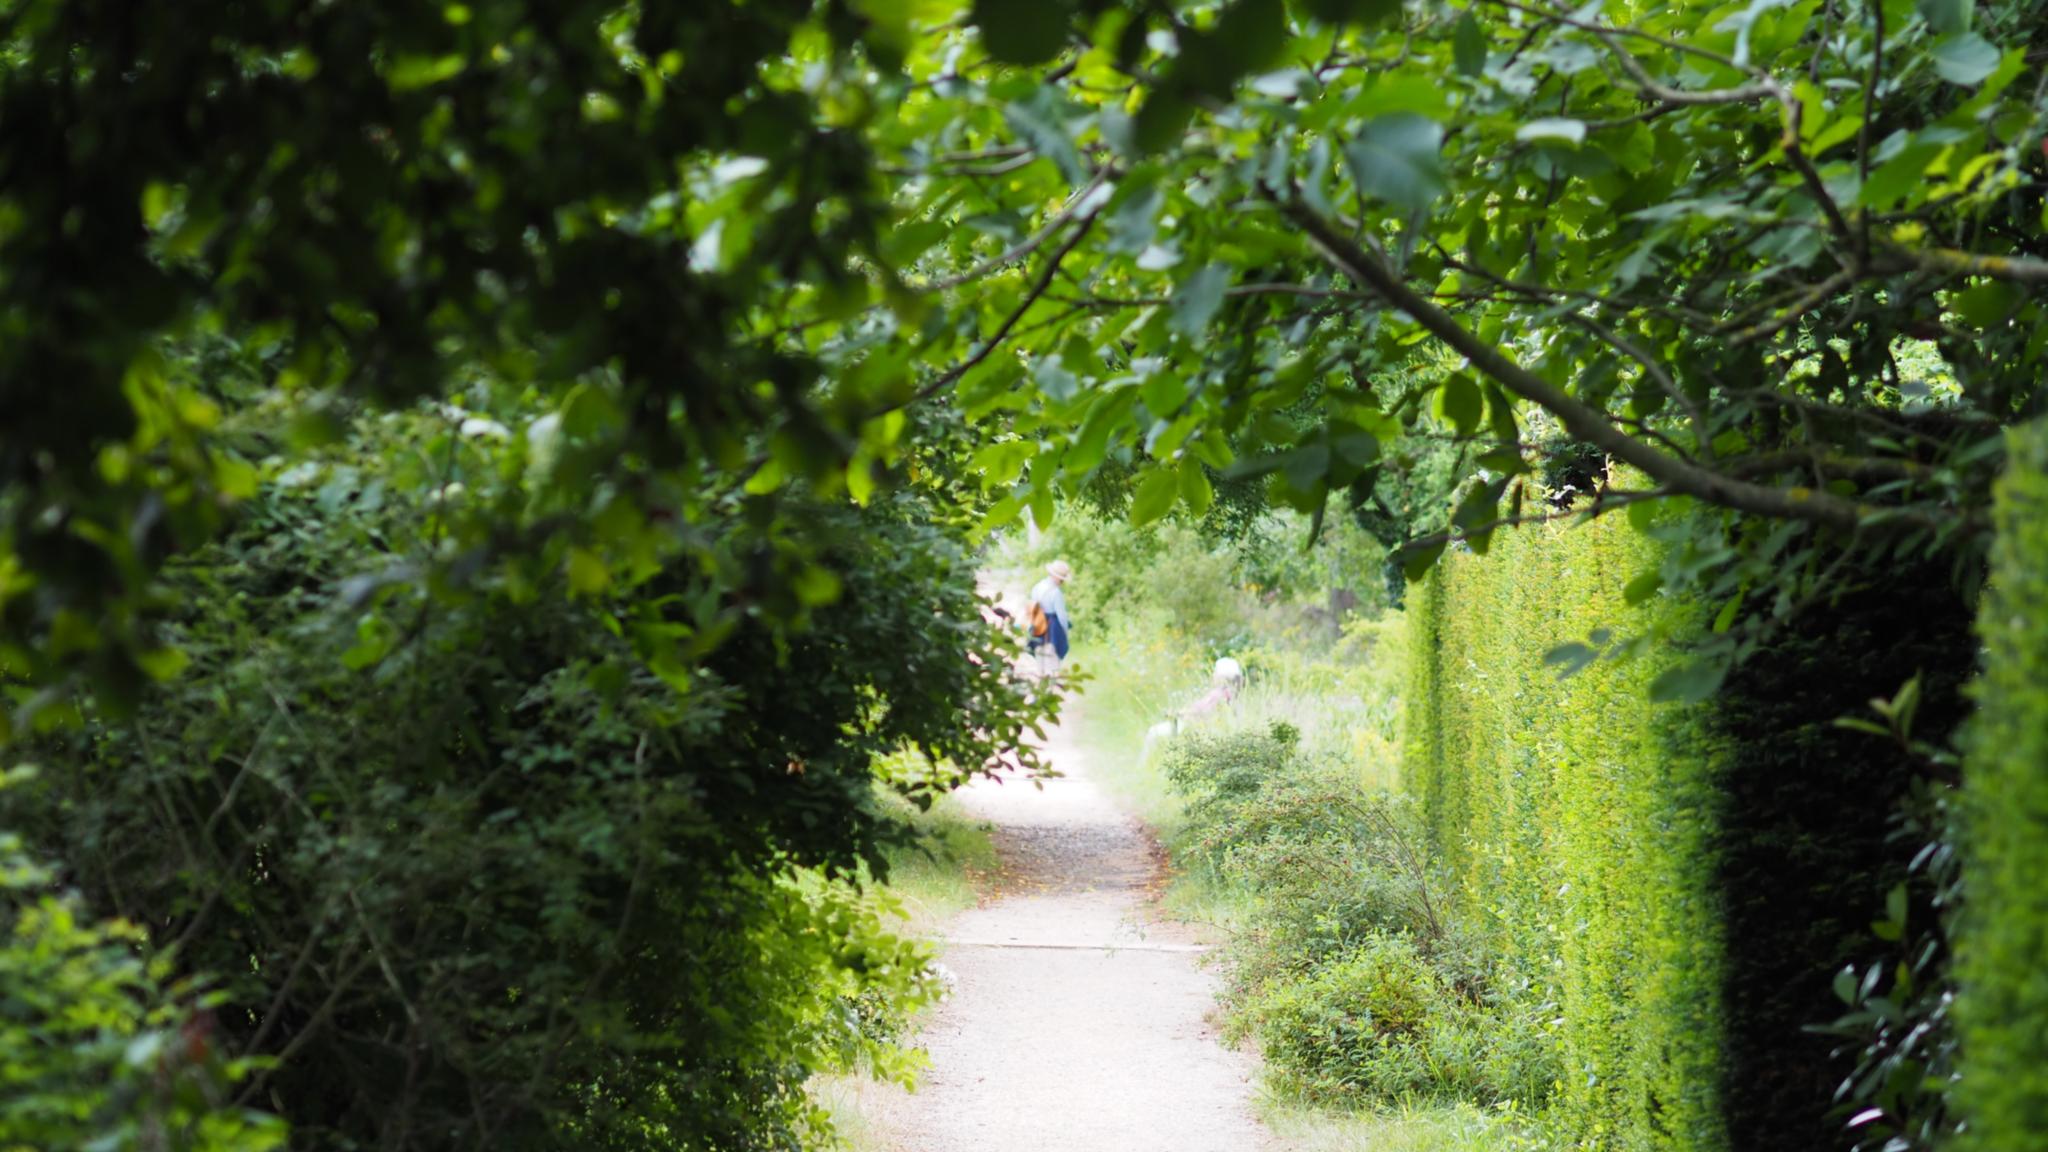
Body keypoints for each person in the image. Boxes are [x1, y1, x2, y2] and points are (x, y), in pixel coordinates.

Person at [1027, 560, 1073, 672]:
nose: (1062, 581)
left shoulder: (1037, 587)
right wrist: (1065, 633)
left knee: (1040, 665)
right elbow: (1061, 616)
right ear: (1056, 577)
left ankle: (1041, 687)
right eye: (1061, 579)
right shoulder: (1056, 592)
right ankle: (1051, 687)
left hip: (1037, 628)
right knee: (1052, 665)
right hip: (1052, 631)